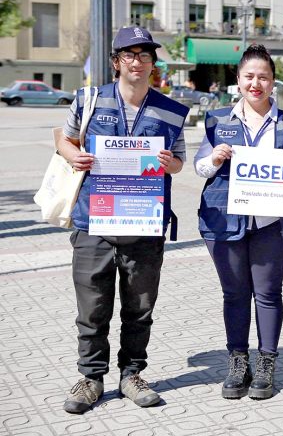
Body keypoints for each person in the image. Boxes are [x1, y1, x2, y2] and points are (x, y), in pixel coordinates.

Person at [56, 26, 189, 414]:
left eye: (144, 55)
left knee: (140, 307)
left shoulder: (172, 110)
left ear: (153, 63)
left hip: (144, 225)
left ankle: (131, 373)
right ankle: (91, 378)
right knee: (93, 307)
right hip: (92, 222)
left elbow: (179, 162)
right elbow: (64, 139)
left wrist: (171, 163)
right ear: (116, 62)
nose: (137, 61)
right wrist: (72, 155)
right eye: (129, 54)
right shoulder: (88, 100)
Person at [194, 44, 283, 400]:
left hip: (273, 227)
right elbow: (200, 167)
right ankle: (237, 361)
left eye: (263, 77)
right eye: (249, 76)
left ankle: (266, 363)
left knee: (268, 293)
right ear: (239, 80)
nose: (255, 83)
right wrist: (214, 158)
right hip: (224, 224)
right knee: (234, 294)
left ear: (273, 81)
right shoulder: (218, 121)